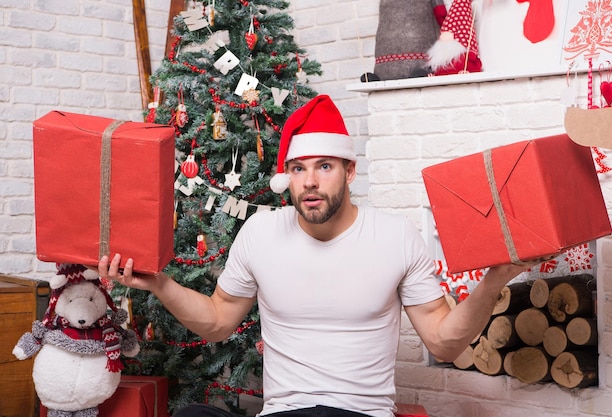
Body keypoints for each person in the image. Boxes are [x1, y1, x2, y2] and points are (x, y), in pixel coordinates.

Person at [98, 95, 531, 417]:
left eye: (325, 166)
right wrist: (160, 283)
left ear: (350, 171)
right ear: (287, 176)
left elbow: (443, 340)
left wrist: (494, 280)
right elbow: (217, 320)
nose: (310, 181)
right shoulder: (261, 232)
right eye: (299, 168)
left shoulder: (395, 236)